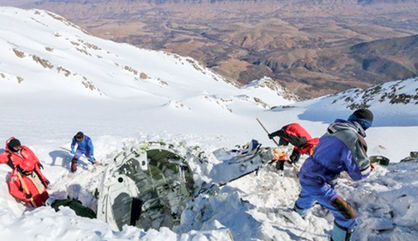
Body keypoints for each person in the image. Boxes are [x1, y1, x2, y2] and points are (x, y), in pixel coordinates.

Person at [293, 109, 374, 241]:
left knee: (308, 194)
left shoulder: (336, 128)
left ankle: (295, 215)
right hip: (319, 181)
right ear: (366, 125)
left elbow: (332, 153)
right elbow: (359, 174)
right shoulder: (352, 138)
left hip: (307, 172)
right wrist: (367, 168)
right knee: (348, 215)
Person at [0, 137, 50, 207]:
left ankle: (49, 202)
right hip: (25, 178)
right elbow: (13, 190)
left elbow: (32, 155)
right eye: (16, 147)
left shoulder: (24, 149)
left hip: (32, 169)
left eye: (19, 146)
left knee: (42, 190)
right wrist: (25, 196)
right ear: (11, 147)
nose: (18, 148)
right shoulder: (9, 156)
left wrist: (37, 162)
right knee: (36, 195)